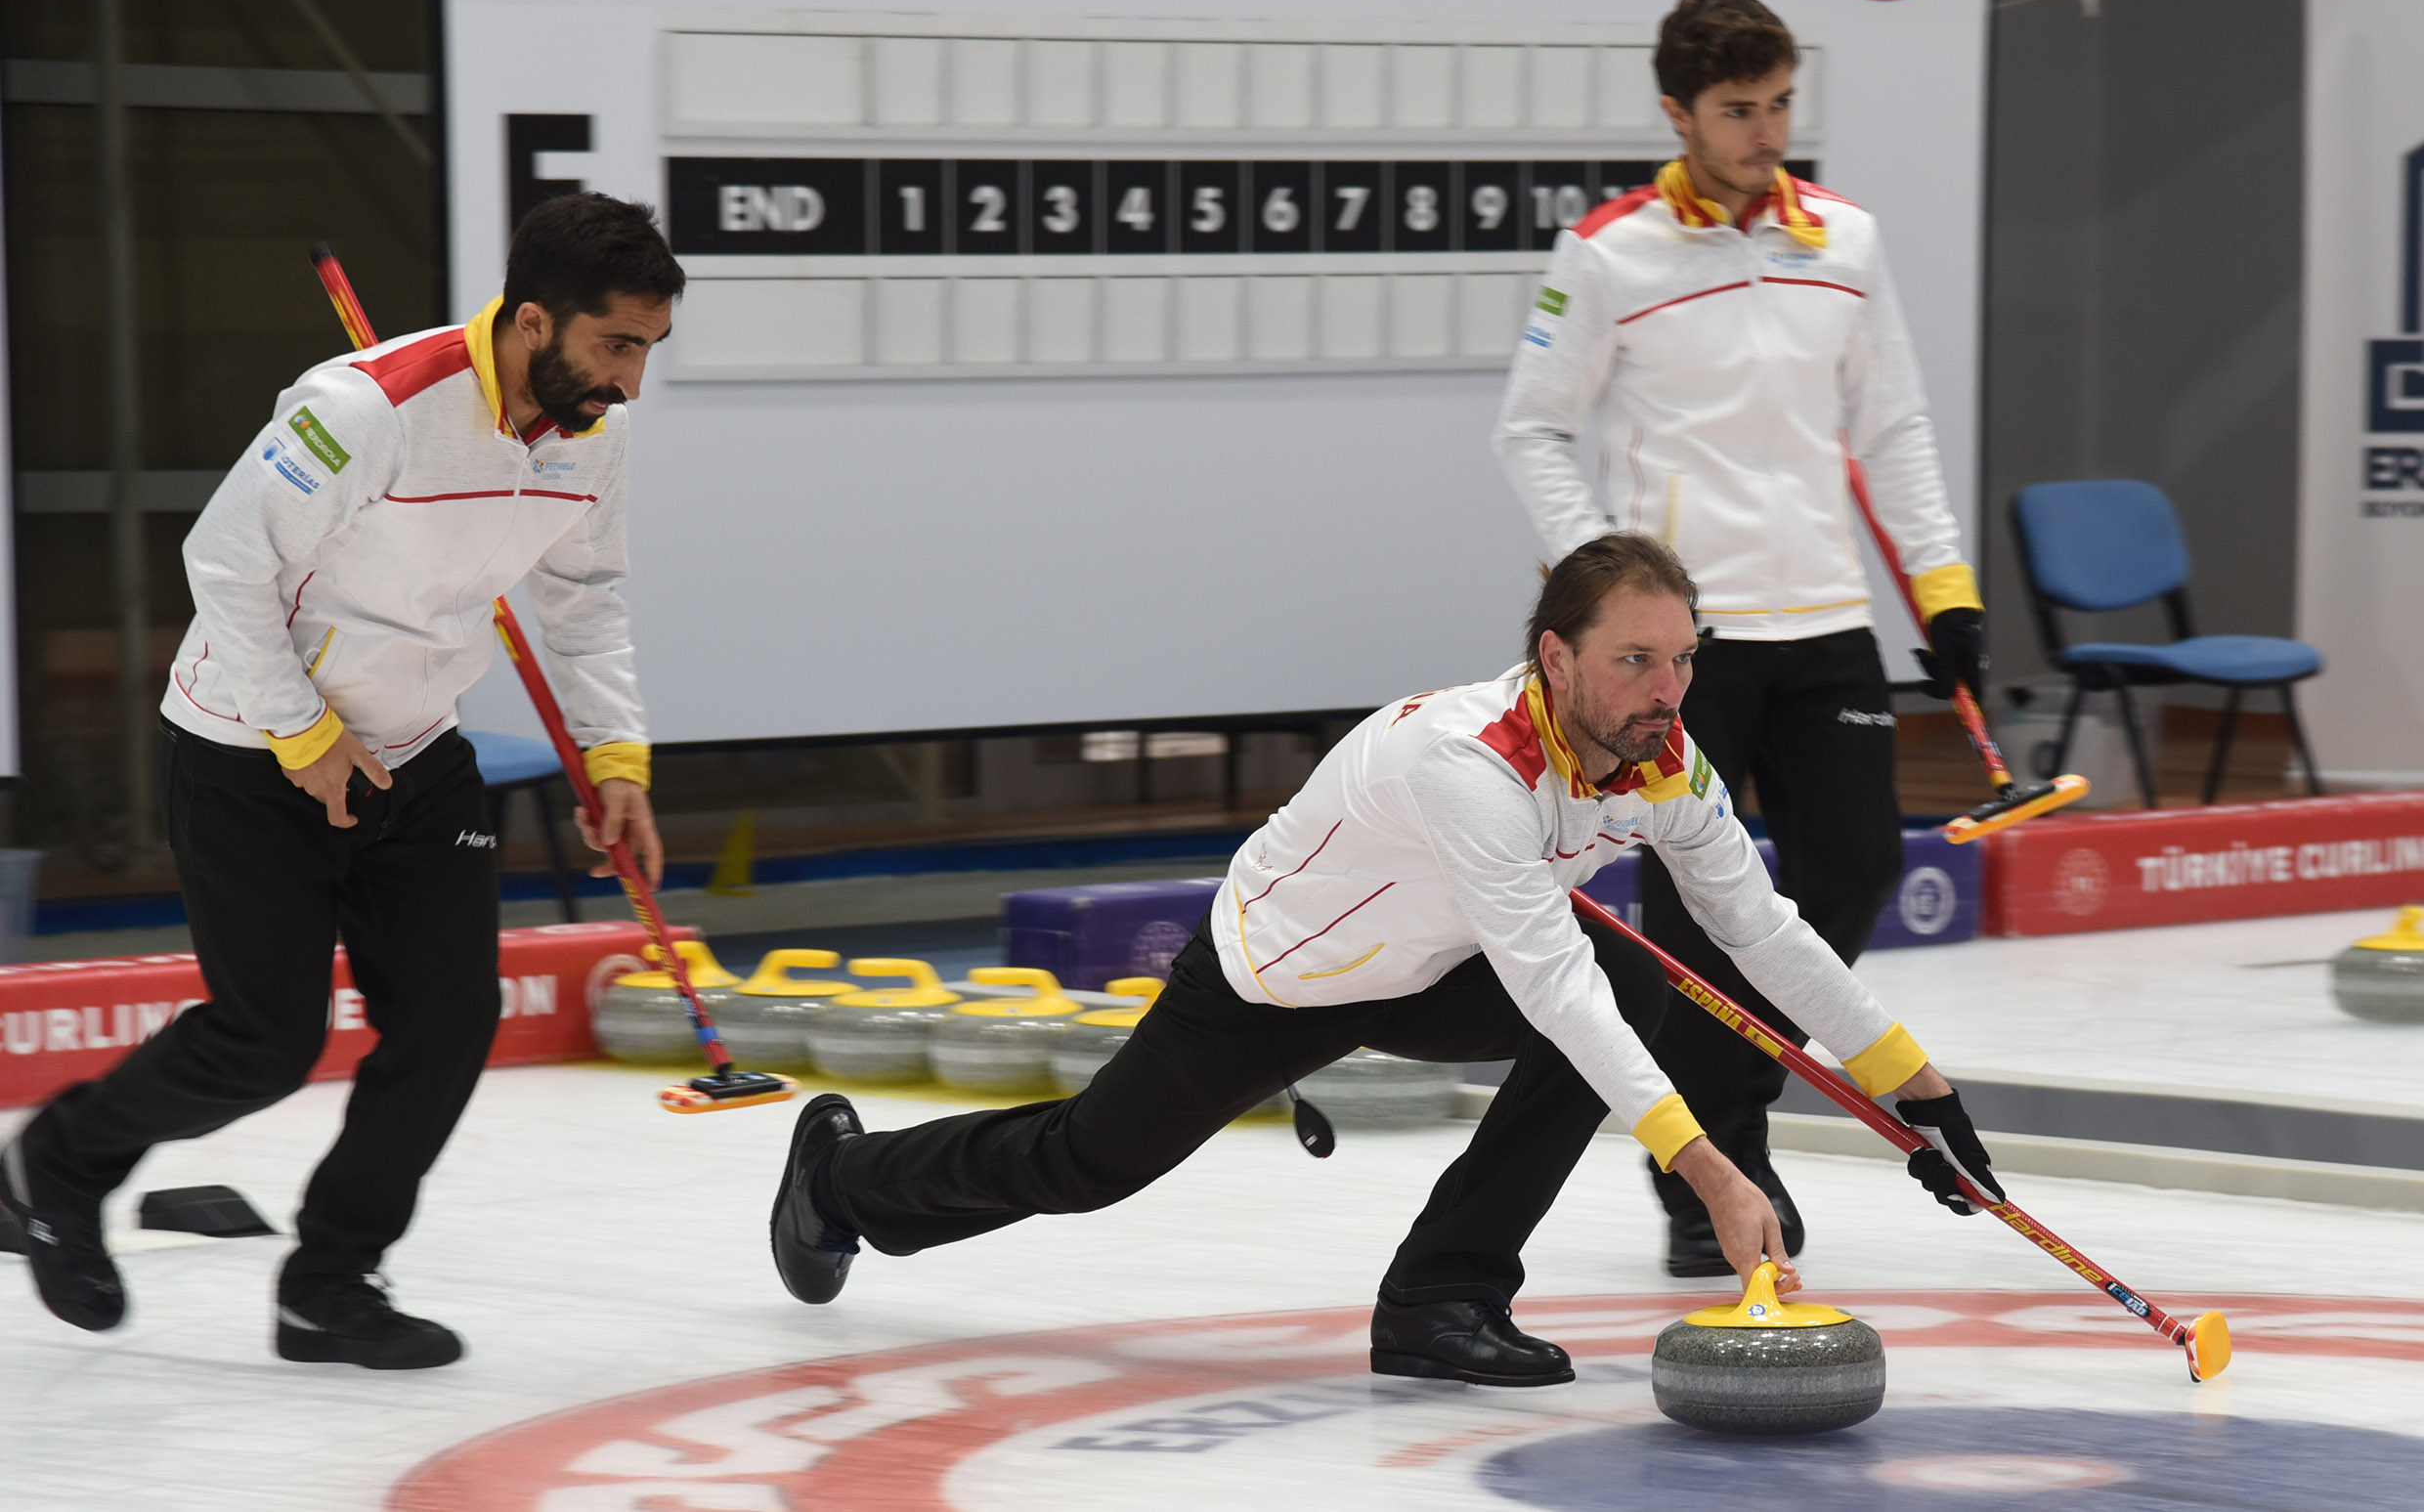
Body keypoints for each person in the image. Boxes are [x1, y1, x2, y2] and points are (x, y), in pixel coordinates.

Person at [768, 534, 2002, 1386]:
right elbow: (1548, 983)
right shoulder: (1466, 764)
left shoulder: (1659, 754)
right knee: (1094, 1162)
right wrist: (1716, 1172)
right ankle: (845, 1179)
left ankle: (1437, 1300)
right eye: (1636, 660)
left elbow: (1759, 925)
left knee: (1634, 983)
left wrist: (1915, 1083)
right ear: (1555, 656)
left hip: (1437, 957)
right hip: (1281, 974)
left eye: (1682, 658)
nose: (1667, 690)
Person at [0, 193, 681, 1369]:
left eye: (648, 351)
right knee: (264, 1040)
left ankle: (330, 1282)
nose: (632, 381)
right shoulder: (364, 405)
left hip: (417, 756)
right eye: (617, 345)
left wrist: (616, 755)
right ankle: (57, 1163)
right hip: (251, 751)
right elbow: (223, 559)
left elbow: (582, 599)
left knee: (448, 1019)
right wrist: (303, 732)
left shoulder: (591, 436)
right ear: (533, 320)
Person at [1492, 0, 1988, 1278]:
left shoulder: (1848, 242)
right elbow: (1532, 429)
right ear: (1678, 113)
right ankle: (1717, 1157)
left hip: (1826, 619)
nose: (1764, 132)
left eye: (1777, 105)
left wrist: (1945, 590)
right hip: (1682, 645)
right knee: (1699, 908)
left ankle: (1715, 1115)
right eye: (1736, 111)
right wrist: (1603, 586)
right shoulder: (1608, 252)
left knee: (1857, 870)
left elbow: (1896, 429)